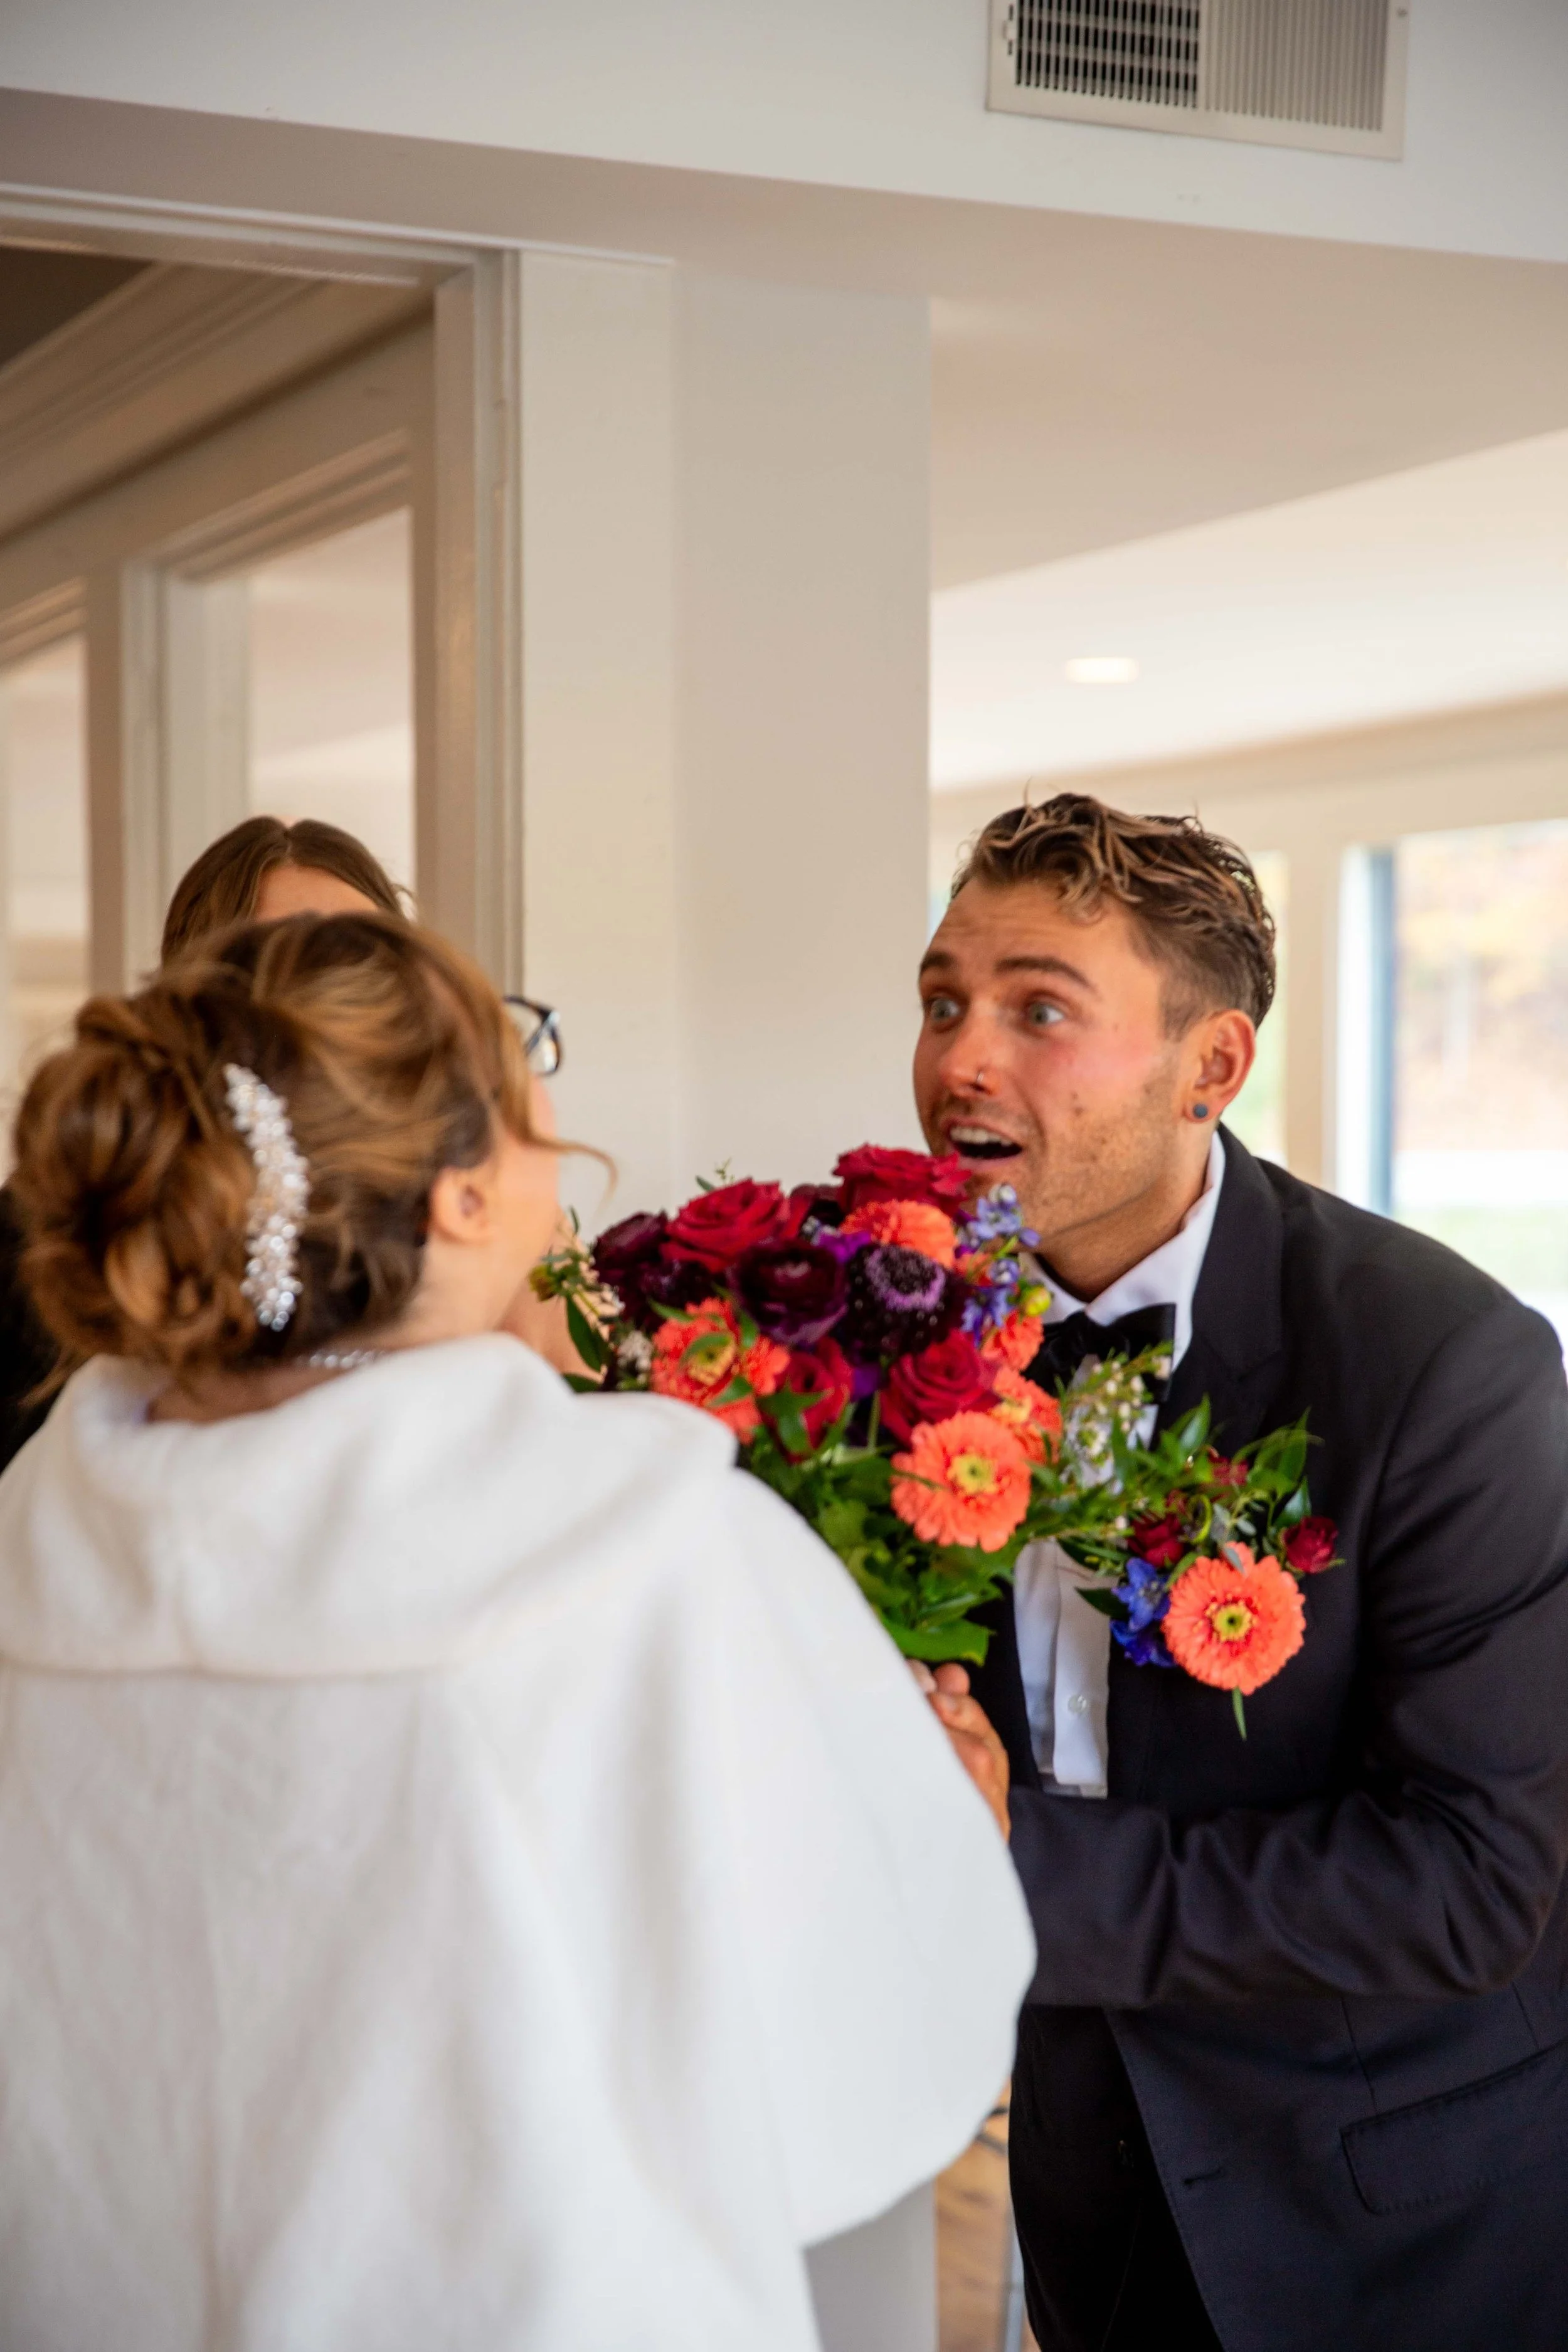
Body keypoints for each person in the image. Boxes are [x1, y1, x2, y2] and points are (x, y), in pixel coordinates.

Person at [0, 910, 1033, 2351]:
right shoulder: (641, 1545)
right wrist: (951, 1831)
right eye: (524, 1054)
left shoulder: (35, 1549)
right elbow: (859, 2069)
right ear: (465, 1196)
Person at [912, 793, 1568, 2352]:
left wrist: (1010, 1861)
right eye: (944, 997)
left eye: (1038, 1008)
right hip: (1074, 2184)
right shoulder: (901, 1324)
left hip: (1392, 2215)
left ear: (1212, 1064)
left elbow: (1474, 1882)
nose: (960, 1060)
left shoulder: (1445, 1364)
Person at [0, 814, 406, 1469]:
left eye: (366, 958)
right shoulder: (69, 1217)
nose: (336, 997)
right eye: (293, 959)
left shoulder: (440, 1204)